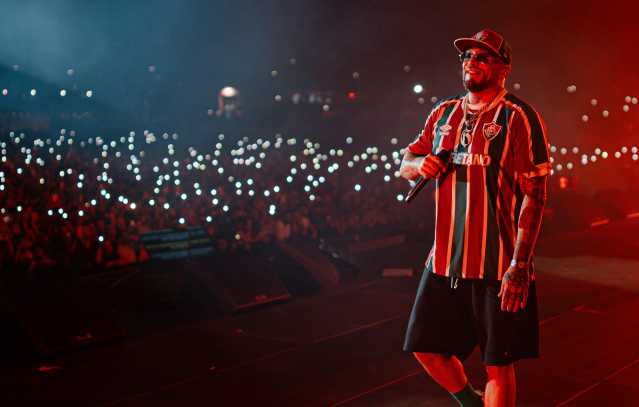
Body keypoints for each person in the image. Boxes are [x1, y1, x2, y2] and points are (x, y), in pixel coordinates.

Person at [400, 29, 550, 407]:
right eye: (467, 56)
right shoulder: (444, 113)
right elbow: (406, 162)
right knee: (425, 349)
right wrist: (422, 165)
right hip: (444, 262)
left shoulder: (519, 116)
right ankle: (469, 401)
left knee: (497, 365)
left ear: (503, 68)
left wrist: (519, 265)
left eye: (483, 57)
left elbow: (535, 196)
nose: (472, 62)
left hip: (497, 268)